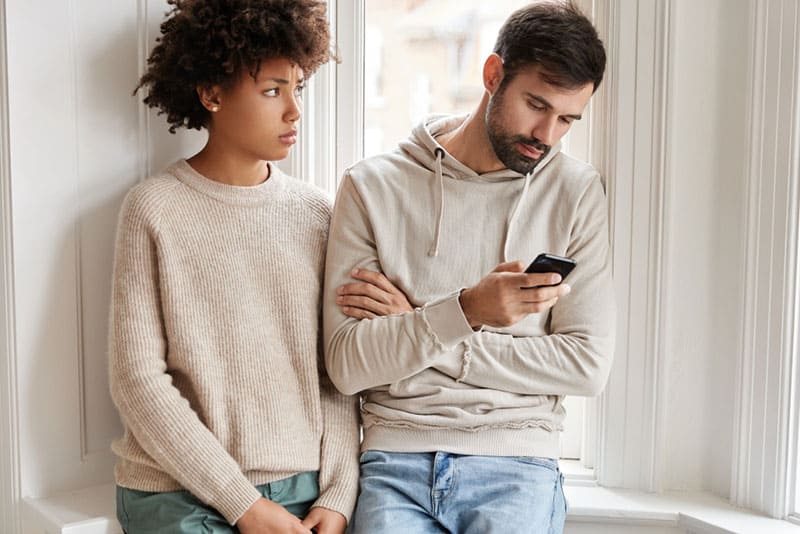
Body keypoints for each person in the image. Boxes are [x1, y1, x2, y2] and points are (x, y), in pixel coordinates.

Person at [323, 2, 614, 533]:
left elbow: (585, 366)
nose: (547, 134)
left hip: (518, 463)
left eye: (568, 119)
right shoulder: (372, 188)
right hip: (395, 462)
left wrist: (428, 324)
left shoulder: (574, 192)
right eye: (536, 104)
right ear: (492, 75)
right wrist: (466, 310)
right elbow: (347, 365)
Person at [109, 1, 358, 533]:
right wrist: (242, 503)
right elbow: (137, 381)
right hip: (179, 489)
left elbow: (332, 371)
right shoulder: (154, 208)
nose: (294, 110)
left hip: (304, 488)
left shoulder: (317, 214)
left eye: (298, 88)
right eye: (272, 90)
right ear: (211, 94)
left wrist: (338, 493)